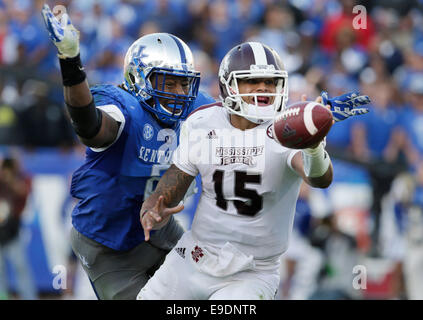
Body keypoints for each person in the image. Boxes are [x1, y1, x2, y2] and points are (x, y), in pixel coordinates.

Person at [137, 42, 370, 300]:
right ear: (228, 87)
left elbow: (319, 179)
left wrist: (313, 146)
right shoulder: (202, 122)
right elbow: (177, 176)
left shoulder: (285, 129)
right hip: (194, 256)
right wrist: (155, 203)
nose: (263, 88)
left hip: (251, 272)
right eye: (252, 81)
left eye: (270, 82)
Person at [41, 4, 214, 300]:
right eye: (168, 83)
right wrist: (71, 62)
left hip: (160, 228)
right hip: (108, 241)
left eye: (184, 83)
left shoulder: (198, 105)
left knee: (215, 289)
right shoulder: (123, 108)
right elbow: (90, 124)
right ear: (138, 79)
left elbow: (242, 124)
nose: (179, 93)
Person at [0, 156, 37, 300]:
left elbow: (24, 191)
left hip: (12, 231)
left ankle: (29, 297)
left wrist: (10, 178)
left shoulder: (22, 178)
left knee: (21, 267)